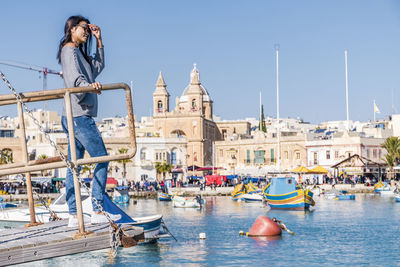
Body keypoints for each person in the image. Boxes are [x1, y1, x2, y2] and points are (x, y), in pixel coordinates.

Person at [58, 15, 121, 227]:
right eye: (83, 28)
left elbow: (96, 67)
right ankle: (97, 209)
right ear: (72, 29)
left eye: (88, 29)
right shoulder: (69, 50)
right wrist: (89, 86)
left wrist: (99, 40)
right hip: (79, 115)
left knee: (74, 165)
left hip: (75, 114)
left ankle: (75, 215)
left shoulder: (77, 52)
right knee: (101, 159)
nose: (86, 31)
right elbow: (75, 79)